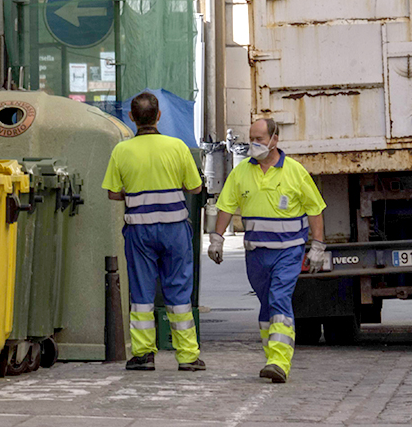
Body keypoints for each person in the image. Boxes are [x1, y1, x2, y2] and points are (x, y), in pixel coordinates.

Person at [207, 117, 330, 383]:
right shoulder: (242, 172)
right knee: (266, 305)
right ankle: (271, 355)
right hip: (256, 254)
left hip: (288, 252)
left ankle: (279, 361)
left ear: (274, 140)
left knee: (278, 299)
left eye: (259, 139)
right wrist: (216, 238)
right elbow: (226, 206)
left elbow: (315, 209)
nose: (254, 144)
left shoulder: (295, 171)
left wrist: (318, 245)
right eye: (251, 138)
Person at [102, 91, 206, 372]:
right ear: (159, 116)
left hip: (140, 233)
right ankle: (187, 356)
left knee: (142, 293)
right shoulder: (177, 147)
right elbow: (195, 187)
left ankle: (143, 354)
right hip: (175, 230)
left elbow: (113, 193)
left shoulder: (121, 150)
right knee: (179, 292)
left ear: (132, 118)